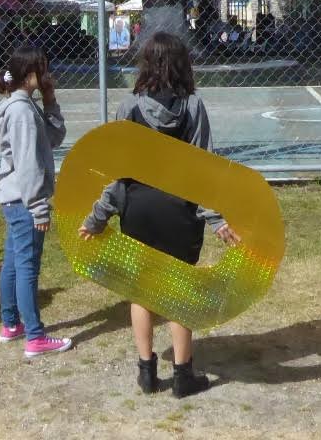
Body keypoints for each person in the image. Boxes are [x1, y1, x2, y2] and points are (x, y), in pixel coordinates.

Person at [78, 32, 240, 398]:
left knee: (141, 290)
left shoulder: (129, 107)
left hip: (139, 209)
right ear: (183, 64)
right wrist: (215, 217)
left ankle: (147, 372)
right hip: (179, 210)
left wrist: (98, 216)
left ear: (146, 64)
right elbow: (204, 168)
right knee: (179, 289)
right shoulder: (193, 107)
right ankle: (183, 376)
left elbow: (118, 174)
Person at [0, 45, 73, 358]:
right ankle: (35, 337)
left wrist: (50, 100)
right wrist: (39, 207)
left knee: (13, 262)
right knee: (27, 267)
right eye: (43, 69)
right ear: (29, 74)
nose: (48, 74)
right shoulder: (22, 112)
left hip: (15, 200)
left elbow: (54, 138)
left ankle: (11, 324)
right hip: (24, 201)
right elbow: (27, 164)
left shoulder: (24, 105)